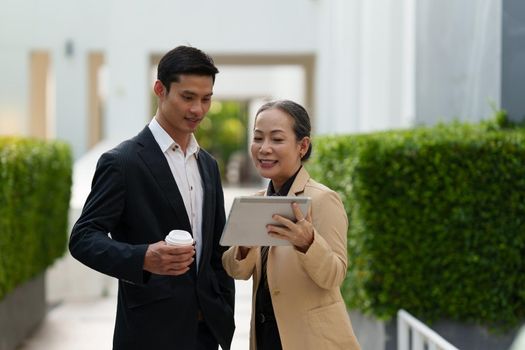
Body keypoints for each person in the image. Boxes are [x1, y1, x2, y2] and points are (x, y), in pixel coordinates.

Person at [69, 46, 235, 350]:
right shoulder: (122, 162)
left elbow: (215, 249)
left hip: (208, 332)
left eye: (206, 98)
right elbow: (83, 238)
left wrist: (224, 307)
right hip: (149, 334)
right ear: (160, 89)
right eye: (187, 97)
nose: (198, 109)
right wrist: (143, 258)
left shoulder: (208, 165)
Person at [222, 100, 361, 349]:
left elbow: (334, 275)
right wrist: (243, 247)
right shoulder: (254, 203)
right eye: (258, 138)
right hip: (266, 337)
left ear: (302, 145)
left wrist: (308, 243)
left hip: (312, 341)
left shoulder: (322, 199)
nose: (264, 148)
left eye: (276, 139)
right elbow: (237, 271)